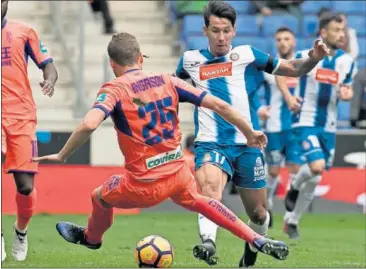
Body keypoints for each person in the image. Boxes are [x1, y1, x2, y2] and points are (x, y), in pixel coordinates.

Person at [33, 32, 290, 263]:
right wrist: (249, 131)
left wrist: (62, 154)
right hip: (178, 174)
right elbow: (220, 106)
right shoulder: (169, 80)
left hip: (142, 184)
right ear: (140, 58)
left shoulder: (114, 88)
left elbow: (89, 124)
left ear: (113, 64)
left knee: (99, 196)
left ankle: (92, 239)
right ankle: (255, 238)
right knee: (203, 202)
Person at [175, 1, 329, 267]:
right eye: (215, 30)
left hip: (247, 144)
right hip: (211, 142)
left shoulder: (247, 54)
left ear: (234, 31)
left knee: (259, 214)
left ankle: (249, 255)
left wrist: (313, 58)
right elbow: (170, 90)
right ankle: (209, 244)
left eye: (226, 30)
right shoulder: (190, 60)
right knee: (210, 191)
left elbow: (293, 68)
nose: (221, 36)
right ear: (205, 30)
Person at [283, 13, 356, 239]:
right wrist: (288, 97)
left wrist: (346, 93)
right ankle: (294, 185)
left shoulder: (347, 61)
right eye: (336, 30)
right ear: (323, 33)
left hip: (329, 127)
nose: (341, 34)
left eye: (342, 30)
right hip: (305, 120)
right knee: (316, 167)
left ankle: (292, 220)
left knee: (316, 178)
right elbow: (281, 74)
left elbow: (347, 89)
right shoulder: (305, 55)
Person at [1, 0, 58, 262]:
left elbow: (48, 64)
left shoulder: (24, 31)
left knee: (25, 187)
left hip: (21, 116)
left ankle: (20, 231)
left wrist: (49, 79)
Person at [257, 27, 303, 229]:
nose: (283, 42)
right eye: (279, 39)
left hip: (297, 126)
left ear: (293, 42)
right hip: (274, 126)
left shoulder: (303, 66)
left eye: (287, 38)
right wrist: (259, 108)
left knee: (296, 169)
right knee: (273, 171)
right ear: (275, 43)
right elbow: (251, 91)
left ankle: (290, 215)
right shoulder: (269, 67)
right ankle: (267, 204)